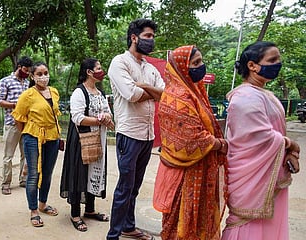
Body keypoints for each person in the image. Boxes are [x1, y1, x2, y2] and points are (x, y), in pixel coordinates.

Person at [222, 41, 300, 240]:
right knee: (245, 222)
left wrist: (288, 149)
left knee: (268, 221)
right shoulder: (245, 98)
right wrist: (291, 144)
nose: (278, 64)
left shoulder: (263, 94)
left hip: (269, 172)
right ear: (252, 66)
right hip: (251, 175)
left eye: (278, 60)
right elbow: (260, 137)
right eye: (272, 60)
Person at [152, 46, 227, 240]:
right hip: (185, 171)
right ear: (182, 68)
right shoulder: (179, 96)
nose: (201, 67)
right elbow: (192, 138)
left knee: (196, 218)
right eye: (195, 63)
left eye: (201, 62)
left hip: (198, 167)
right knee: (181, 223)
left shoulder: (193, 92)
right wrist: (219, 144)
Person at [106, 18, 164, 240]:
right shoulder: (119, 63)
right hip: (129, 135)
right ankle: (113, 235)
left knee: (135, 187)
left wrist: (145, 87)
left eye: (152, 36)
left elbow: (165, 94)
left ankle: (128, 226)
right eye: (148, 36)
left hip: (147, 135)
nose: (151, 40)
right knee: (124, 187)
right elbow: (132, 95)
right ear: (134, 37)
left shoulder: (149, 68)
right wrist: (152, 92)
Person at [60, 58, 114, 232]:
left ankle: (90, 210)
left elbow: (108, 114)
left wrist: (107, 118)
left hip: (98, 139)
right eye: (98, 68)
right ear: (89, 72)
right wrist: (100, 120)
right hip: (82, 140)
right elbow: (77, 118)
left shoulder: (100, 92)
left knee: (94, 172)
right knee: (79, 174)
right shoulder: (79, 92)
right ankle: (75, 214)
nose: (101, 70)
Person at [12, 62, 61, 227]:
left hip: (52, 136)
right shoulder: (28, 95)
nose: (43, 77)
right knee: (34, 174)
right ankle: (33, 210)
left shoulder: (54, 92)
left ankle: (42, 204)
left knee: (47, 172)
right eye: (39, 74)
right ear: (33, 76)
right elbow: (18, 118)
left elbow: (55, 114)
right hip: (33, 137)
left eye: (45, 73)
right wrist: (28, 133)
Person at [0, 56, 32, 194]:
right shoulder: (6, 81)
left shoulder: (27, 83)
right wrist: (15, 105)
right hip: (12, 124)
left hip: (27, 124)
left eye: (29, 71)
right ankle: (6, 183)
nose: (27, 73)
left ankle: (24, 179)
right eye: (25, 70)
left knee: (26, 154)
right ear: (19, 67)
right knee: (8, 156)